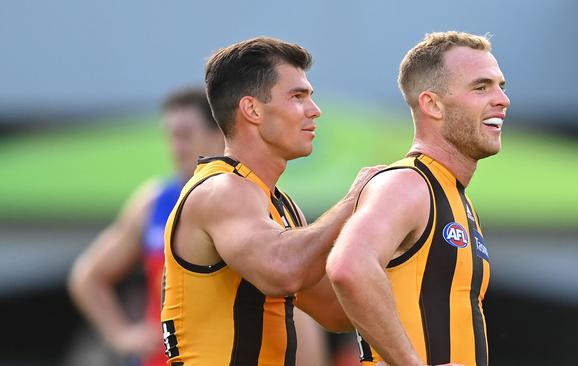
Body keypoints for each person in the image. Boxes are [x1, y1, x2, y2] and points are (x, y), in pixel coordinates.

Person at [160, 36, 380, 365]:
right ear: (252, 109)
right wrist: (354, 201)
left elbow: (334, 311)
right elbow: (283, 271)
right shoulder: (222, 190)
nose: (314, 110)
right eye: (297, 96)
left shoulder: (281, 206)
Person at [326, 31, 511, 366]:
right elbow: (348, 266)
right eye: (481, 87)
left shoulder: (456, 198)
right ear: (432, 104)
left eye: (501, 85)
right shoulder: (408, 183)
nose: (502, 99)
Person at [68, 87, 225, 366]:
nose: (176, 147)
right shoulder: (153, 202)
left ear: (218, 134)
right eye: (171, 136)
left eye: (185, 135)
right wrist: (120, 335)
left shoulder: (244, 201)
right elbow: (87, 276)